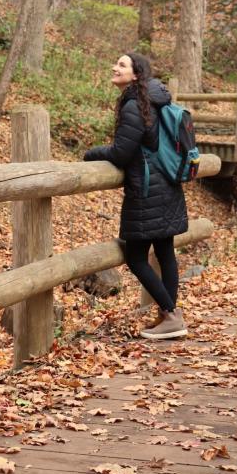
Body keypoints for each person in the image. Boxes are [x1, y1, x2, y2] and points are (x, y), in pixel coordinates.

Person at [83, 53, 188, 340]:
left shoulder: (134, 105)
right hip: (166, 184)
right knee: (164, 251)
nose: (114, 67)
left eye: (121, 65)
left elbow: (121, 152)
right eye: (115, 63)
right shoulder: (153, 100)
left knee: (136, 256)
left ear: (136, 74)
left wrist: (91, 153)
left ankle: (169, 313)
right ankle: (168, 315)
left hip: (146, 190)